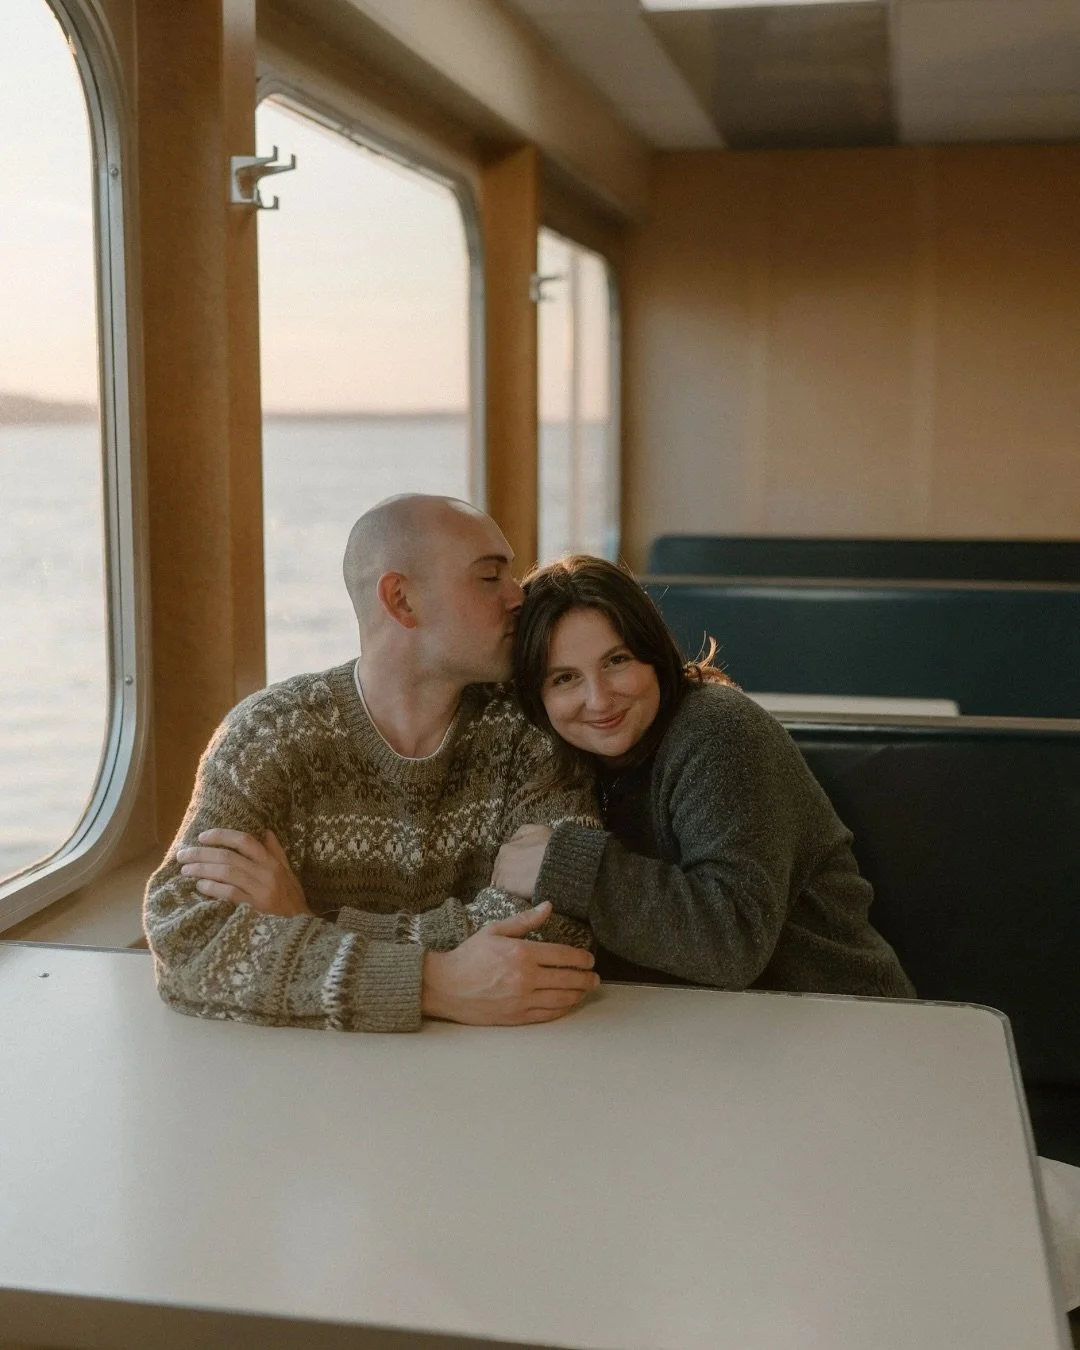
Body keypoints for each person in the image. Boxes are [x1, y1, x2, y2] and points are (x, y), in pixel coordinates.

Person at [143, 496, 600, 1034]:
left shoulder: (533, 731)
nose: (518, 595)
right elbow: (187, 938)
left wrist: (308, 922)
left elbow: (559, 930)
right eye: (489, 576)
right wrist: (434, 982)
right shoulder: (270, 736)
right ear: (401, 600)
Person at [495, 553, 915, 998]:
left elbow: (734, 939)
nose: (598, 700)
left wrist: (563, 867)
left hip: (838, 1015)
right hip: (692, 1027)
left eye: (617, 660)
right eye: (564, 678)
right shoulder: (556, 756)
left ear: (654, 655)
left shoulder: (719, 730)